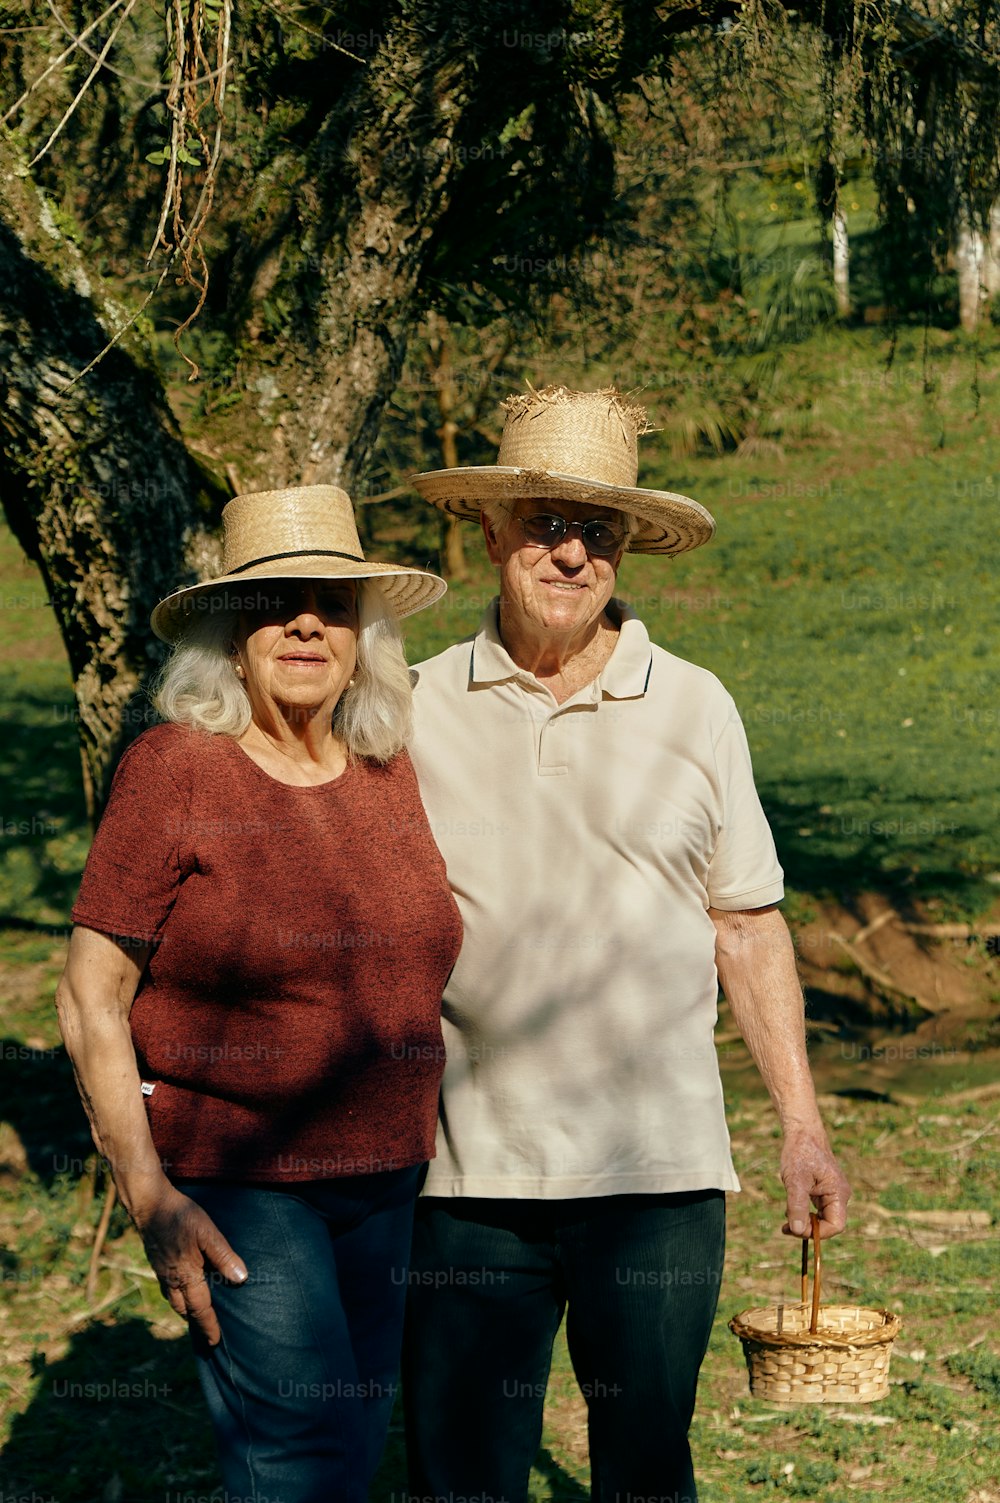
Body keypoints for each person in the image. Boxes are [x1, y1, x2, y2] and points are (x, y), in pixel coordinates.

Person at [401, 386, 851, 1503]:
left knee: (645, 1471)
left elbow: (746, 928)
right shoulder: (409, 711)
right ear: (491, 533)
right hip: (465, 1176)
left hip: (656, 1177)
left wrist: (800, 1126)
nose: (569, 552)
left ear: (625, 550)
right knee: (463, 1477)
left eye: (596, 531)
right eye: (545, 523)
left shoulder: (695, 708)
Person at [56, 485, 462, 1503]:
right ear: (229, 639)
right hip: (241, 1180)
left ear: (361, 635)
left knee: (354, 1447)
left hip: (385, 1179)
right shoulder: (176, 771)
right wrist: (148, 1195)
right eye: (274, 601)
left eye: (329, 601)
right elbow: (91, 996)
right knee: (301, 1462)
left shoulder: (386, 768)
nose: (304, 622)